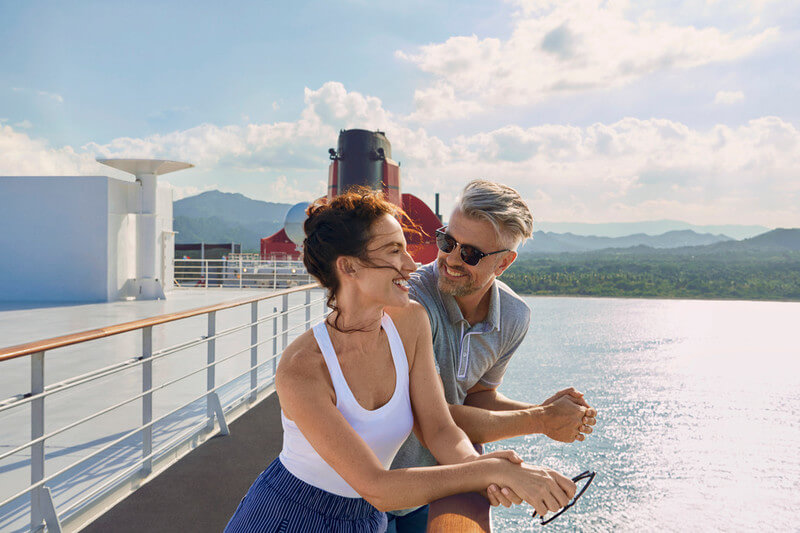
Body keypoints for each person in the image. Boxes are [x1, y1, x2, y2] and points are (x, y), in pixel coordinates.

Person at [224, 188, 576, 532]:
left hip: (367, 520)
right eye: (395, 251)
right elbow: (375, 485)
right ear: (349, 267)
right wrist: (493, 471)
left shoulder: (410, 321)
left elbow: (439, 429)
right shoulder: (302, 367)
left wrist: (483, 469)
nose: (412, 265)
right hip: (292, 517)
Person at [388, 180, 598, 531]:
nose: (451, 259)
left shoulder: (514, 316)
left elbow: (478, 397)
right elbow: (427, 416)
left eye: (470, 254)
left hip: (442, 480)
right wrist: (541, 419)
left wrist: (546, 414)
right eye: (447, 242)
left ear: (503, 263)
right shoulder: (412, 303)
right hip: (382, 484)